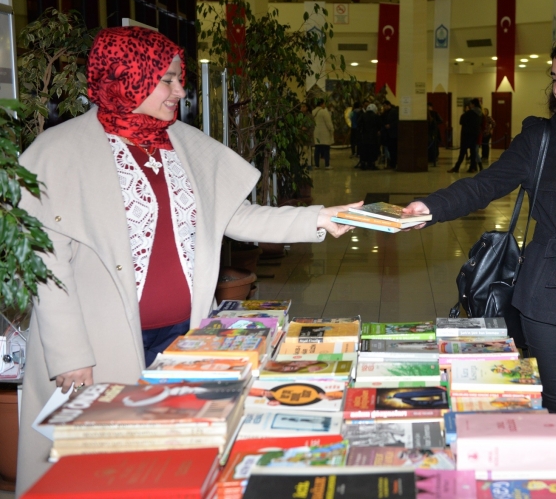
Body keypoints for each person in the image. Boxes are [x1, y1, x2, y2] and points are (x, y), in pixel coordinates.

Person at [15, 27, 360, 495]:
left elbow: (241, 216)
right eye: (168, 81)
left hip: (184, 338)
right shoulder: (58, 153)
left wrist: (319, 217)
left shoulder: (182, 143)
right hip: (101, 349)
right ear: (127, 78)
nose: (180, 90)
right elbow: (46, 263)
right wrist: (71, 355)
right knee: (105, 475)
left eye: (179, 80)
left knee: (171, 465)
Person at [407, 34, 556, 499]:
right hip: (545, 293)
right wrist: (430, 207)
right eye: (555, 77)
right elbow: (486, 184)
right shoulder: (540, 136)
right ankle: (553, 489)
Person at [448, 99, 482, 173]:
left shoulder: (469, 113)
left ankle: (456, 167)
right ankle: (472, 167)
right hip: (475, 134)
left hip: (466, 135)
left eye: (471, 104)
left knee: (462, 152)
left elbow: (461, 121)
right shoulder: (480, 113)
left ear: (473, 104)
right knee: (473, 152)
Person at [358, 103, 381, 170]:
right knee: (373, 150)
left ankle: (363, 164)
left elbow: (358, 124)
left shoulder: (363, 115)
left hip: (364, 137)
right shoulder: (376, 116)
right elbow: (380, 125)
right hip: (373, 137)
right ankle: (372, 164)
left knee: (364, 150)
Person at [312, 98, 334, 170]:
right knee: (326, 150)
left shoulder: (313, 112)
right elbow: (329, 123)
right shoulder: (324, 112)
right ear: (322, 104)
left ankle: (317, 165)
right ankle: (327, 165)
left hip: (316, 133)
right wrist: (332, 129)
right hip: (325, 134)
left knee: (317, 150)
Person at [427, 102, 443, 167]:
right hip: (429, 131)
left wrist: (435, 123)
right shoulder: (424, 113)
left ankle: (434, 157)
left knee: (435, 144)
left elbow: (441, 120)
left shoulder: (434, 113)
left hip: (434, 131)